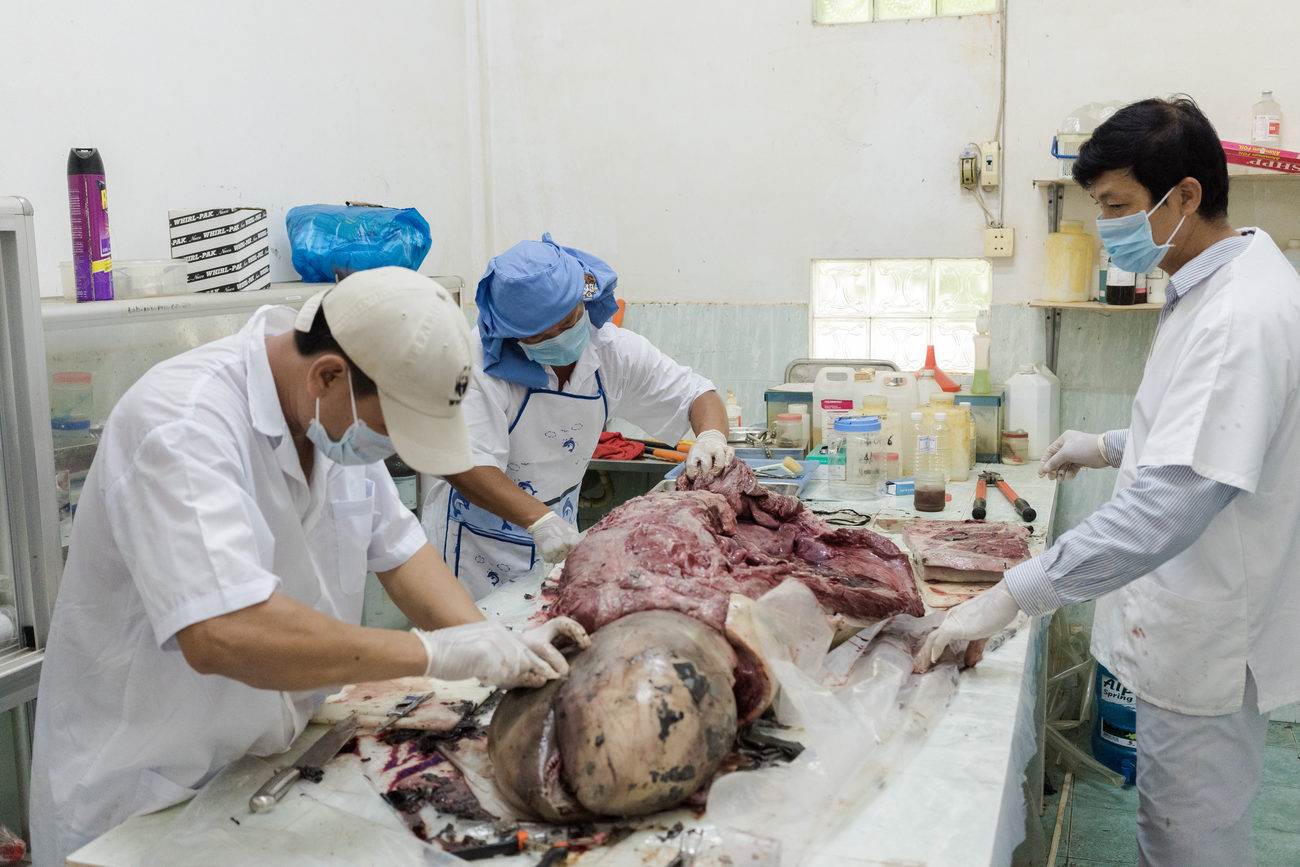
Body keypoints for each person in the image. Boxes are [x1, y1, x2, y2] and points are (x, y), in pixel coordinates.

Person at [29, 268, 588, 866]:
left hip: (261, 769)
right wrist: (437, 655)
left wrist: (490, 640)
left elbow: (401, 556)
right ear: (328, 374)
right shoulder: (183, 425)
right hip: (143, 795)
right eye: (393, 429)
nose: (392, 448)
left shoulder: (330, 419)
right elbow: (224, 632)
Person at [923, 96, 1300, 865]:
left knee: (1189, 842)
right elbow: (1209, 433)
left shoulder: (1239, 314)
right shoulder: (1216, 275)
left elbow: (1180, 496)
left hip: (1211, 625)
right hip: (1204, 609)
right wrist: (1105, 445)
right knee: (1176, 829)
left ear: (1185, 196)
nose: (1108, 229)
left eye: (1120, 207)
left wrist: (1009, 596)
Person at [421, 233, 733, 599]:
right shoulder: (474, 362)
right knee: (477, 645)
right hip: (473, 553)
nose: (560, 339)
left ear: (582, 302)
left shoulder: (612, 350)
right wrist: (538, 521)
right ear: (512, 335)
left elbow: (697, 394)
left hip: (559, 538)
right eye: (541, 336)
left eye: (569, 322)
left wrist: (711, 438)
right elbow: (465, 464)